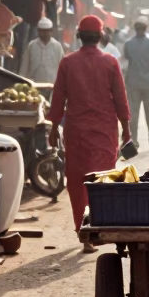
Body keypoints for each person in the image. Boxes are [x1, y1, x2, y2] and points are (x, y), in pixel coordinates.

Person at [47, 15, 132, 252]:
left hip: (75, 132)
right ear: (101, 36)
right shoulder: (110, 62)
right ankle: (95, 228)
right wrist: (126, 129)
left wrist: (53, 128)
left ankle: (82, 231)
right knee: (101, 180)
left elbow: (58, 98)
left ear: (79, 36)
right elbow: (120, 99)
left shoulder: (67, 62)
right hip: (104, 132)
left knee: (77, 182)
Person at [123, 16, 149, 150]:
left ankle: (134, 140)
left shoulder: (128, 43)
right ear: (146, 28)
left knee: (133, 113)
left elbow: (126, 62)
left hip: (133, 82)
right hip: (148, 82)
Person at [18, 17, 64, 85]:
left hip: (52, 87)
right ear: (38, 31)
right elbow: (24, 67)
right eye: (41, 31)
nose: (44, 33)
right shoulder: (31, 46)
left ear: (51, 31)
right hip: (34, 87)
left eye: (46, 31)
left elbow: (63, 68)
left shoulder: (57, 46)